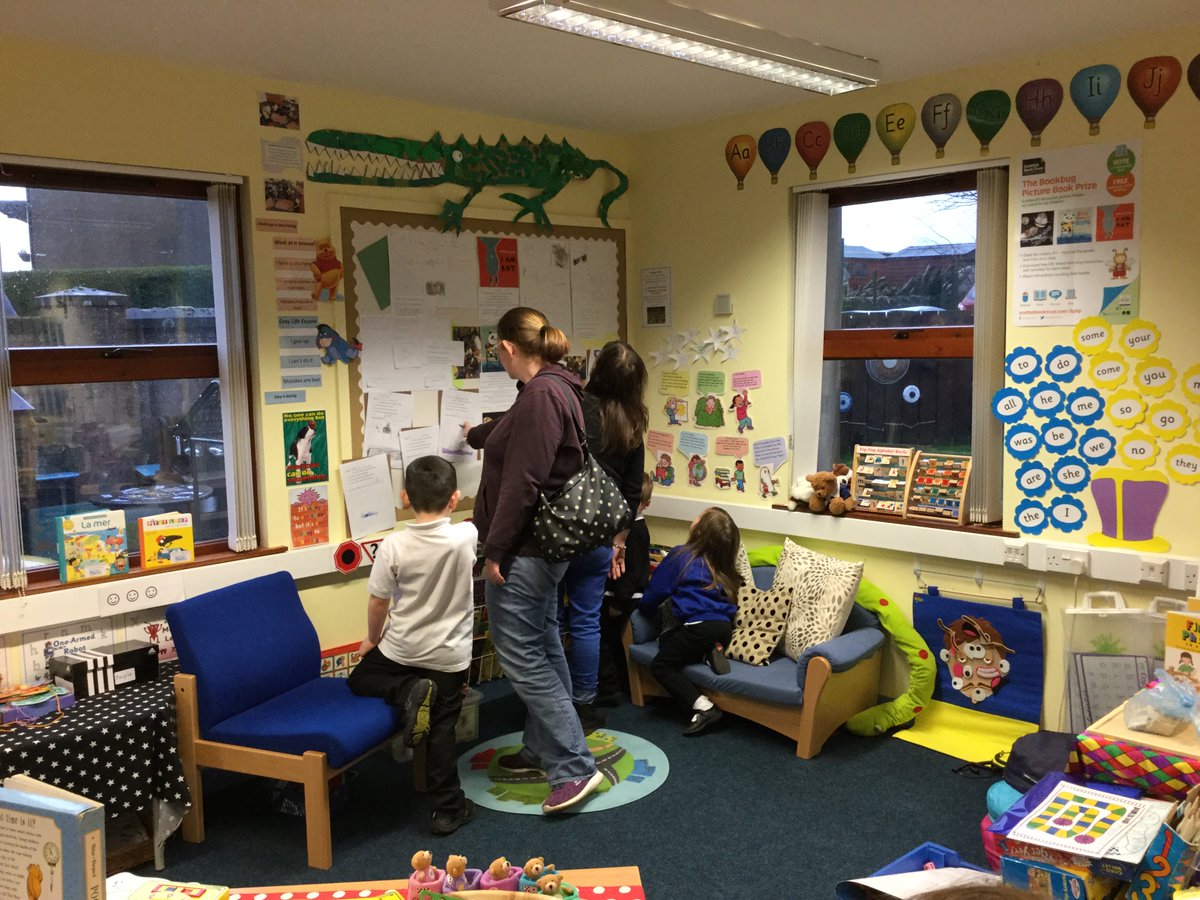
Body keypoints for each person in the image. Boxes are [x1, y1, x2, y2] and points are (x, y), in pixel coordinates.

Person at [462, 306, 604, 815]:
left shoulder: (543, 395)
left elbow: (522, 483)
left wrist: (494, 551)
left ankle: (573, 765)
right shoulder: (556, 386)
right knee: (544, 647)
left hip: (525, 552)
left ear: (506, 348)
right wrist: (476, 434)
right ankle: (542, 748)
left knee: (522, 657)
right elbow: (512, 433)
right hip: (543, 550)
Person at [346, 455, 478, 836]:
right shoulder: (465, 536)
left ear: (404, 497)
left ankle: (407, 691)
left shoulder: (394, 545)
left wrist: (372, 638)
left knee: (359, 679)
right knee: (441, 729)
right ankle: (446, 811)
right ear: (454, 499)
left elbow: (378, 602)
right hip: (449, 657)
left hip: (401, 650)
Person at [557, 340, 648, 732]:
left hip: (559, 530)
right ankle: (585, 702)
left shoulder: (573, 405)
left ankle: (552, 703)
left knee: (550, 620)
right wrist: (619, 543)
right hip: (600, 535)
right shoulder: (631, 425)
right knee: (586, 620)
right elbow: (631, 493)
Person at [638, 506, 742, 735]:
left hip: (698, 627)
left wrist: (643, 610)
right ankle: (707, 652)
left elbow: (655, 592)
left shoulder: (681, 556)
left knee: (661, 664)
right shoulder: (723, 565)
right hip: (723, 629)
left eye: (699, 516)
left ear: (700, 530)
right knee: (675, 643)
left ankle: (704, 707)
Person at [596, 472, 653, 705]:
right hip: (619, 594)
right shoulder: (627, 528)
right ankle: (614, 684)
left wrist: (619, 603)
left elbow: (632, 573)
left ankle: (609, 689)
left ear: (645, 504)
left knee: (603, 641)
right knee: (608, 640)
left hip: (623, 597)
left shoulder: (635, 532)